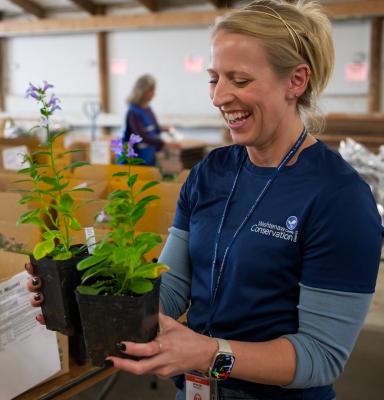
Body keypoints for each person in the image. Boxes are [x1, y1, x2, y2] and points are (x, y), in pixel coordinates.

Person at [27, 1, 382, 399]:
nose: (219, 97)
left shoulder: (339, 198)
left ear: (296, 81)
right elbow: (172, 288)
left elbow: (321, 357)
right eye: (214, 79)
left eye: (240, 80)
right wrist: (87, 299)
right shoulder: (210, 174)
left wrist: (209, 354)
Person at [121, 74, 175, 166]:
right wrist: (164, 143)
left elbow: (154, 128)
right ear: (142, 91)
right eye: (151, 90)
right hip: (135, 158)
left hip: (149, 156)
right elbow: (140, 136)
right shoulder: (133, 112)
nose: (154, 93)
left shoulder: (148, 108)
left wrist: (167, 129)